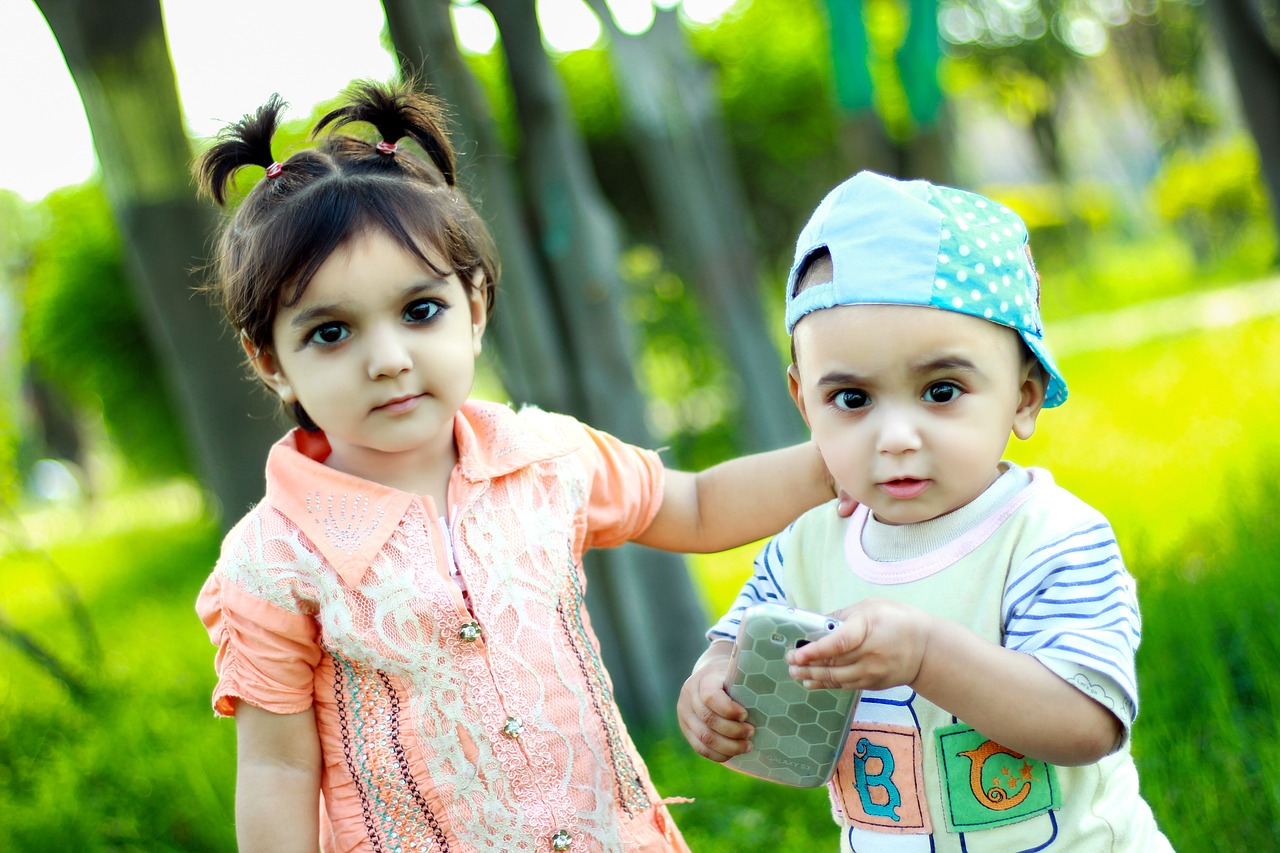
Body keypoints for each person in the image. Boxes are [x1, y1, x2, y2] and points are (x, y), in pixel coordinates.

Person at [193, 80, 839, 853]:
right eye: (331, 332)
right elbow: (276, 772)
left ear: (474, 306)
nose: (388, 359)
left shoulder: (545, 458)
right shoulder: (273, 560)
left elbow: (696, 505)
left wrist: (839, 459)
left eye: (419, 310)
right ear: (272, 361)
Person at [676, 171, 1173, 851]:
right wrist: (709, 690)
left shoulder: (1052, 537)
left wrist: (925, 652)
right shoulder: (805, 549)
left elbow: (1087, 721)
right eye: (852, 399)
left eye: (941, 390)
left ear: (1024, 396)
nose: (896, 436)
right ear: (805, 405)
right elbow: (737, 645)